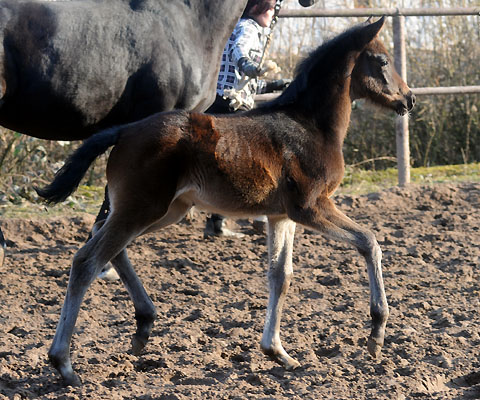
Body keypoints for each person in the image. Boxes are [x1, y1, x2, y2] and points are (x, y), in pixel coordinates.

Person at [204, 0, 290, 238]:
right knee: (260, 153)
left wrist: (272, 84)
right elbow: (238, 51)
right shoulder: (247, 27)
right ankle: (262, 213)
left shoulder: (255, 31)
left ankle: (216, 224)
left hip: (230, 100)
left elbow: (247, 84)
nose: (272, 13)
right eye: (270, 8)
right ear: (257, 8)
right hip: (228, 103)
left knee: (226, 163)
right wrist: (249, 65)